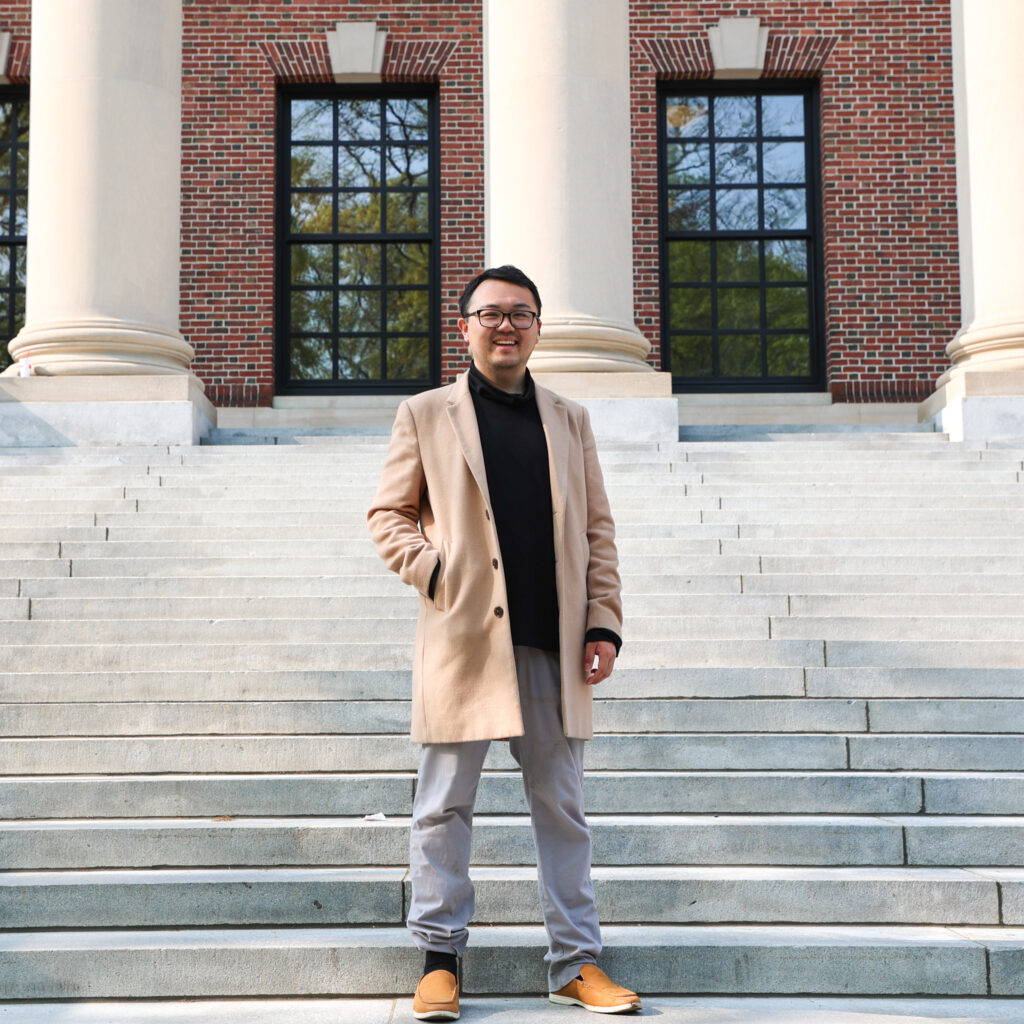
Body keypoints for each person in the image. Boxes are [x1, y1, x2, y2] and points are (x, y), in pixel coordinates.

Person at [367, 265, 641, 1020]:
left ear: (539, 327)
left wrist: (603, 623)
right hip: (464, 643)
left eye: (521, 314)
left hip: (554, 643)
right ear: (465, 326)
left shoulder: (569, 418)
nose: (506, 326)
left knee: (562, 808)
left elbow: (598, 532)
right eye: (490, 313)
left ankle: (576, 961)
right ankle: (439, 960)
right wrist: (437, 571)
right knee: (443, 807)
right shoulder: (426, 414)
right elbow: (387, 515)